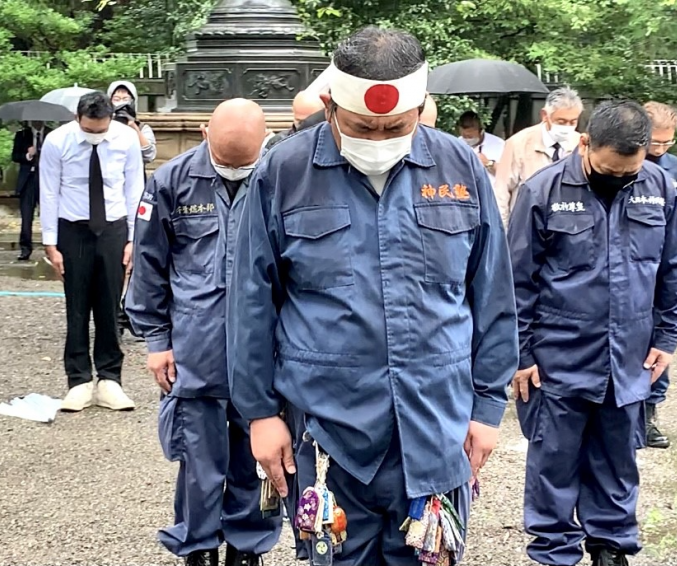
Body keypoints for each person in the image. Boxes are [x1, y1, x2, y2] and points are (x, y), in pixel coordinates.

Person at [228, 26, 519, 565]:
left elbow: (493, 295)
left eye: (396, 126)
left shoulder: (459, 169)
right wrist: (260, 415)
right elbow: (249, 301)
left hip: (437, 425)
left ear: (422, 107)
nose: (380, 139)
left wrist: (487, 405)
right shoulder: (285, 171)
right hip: (328, 427)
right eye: (363, 126)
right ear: (329, 103)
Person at [509, 101, 677, 566]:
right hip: (557, 357)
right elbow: (515, 281)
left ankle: (610, 545)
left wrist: (667, 338)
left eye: (631, 170)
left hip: (629, 356)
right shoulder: (542, 191)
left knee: (618, 459)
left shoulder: (660, 188)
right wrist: (521, 354)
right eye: (611, 170)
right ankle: (554, 550)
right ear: (585, 144)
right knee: (554, 460)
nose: (623, 178)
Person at [128, 98, 281, 566]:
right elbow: (148, 266)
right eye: (225, 161)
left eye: (245, 163)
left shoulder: (282, 178)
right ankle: (197, 546)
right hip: (198, 346)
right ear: (203, 133)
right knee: (198, 460)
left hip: (264, 348)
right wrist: (157, 342)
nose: (234, 171)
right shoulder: (170, 181)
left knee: (259, 455)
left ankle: (247, 546)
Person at [41, 92, 143, 412]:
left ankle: (110, 378)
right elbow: (49, 190)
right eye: (90, 130)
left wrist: (133, 239)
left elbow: (134, 187)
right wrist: (50, 243)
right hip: (73, 229)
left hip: (114, 228)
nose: (96, 135)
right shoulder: (58, 142)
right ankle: (79, 380)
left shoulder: (126, 139)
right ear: (77, 118)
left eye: (101, 129)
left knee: (110, 305)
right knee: (77, 306)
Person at [642, 101, 677, 450]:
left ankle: (649, 412)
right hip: (633, 266)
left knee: (660, 340)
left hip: (664, 265)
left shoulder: (675, 169)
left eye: (667, 144)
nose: (660, 151)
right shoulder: (619, 162)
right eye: (655, 144)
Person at [495, 87, 584, 228]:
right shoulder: (519, 143)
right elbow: (501, 193)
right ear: (545, 115)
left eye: (573, 122)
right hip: (526, 225)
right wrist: (503, 235)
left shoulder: (580, 144)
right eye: (561, 122)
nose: (567, 127)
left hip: (568, 226)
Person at [13, 121, 51, 261]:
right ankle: (25, 248)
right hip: (28, 180)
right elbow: (15, 156)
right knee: (27, 216)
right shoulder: (22, 135)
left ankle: (51, 247)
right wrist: (28, 155)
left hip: (46, 179)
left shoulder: (52, 134)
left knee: (49, 215)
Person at [109, 80, 157, 164]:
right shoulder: (103, 126)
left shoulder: (142, 127)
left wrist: (135, 129)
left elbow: (149, 156)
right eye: (116, 99)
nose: (121, 103)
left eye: (125, 99)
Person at [458, 110, 505, 187]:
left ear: (481, 131)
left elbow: (507, 174)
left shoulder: (499, 144)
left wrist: (488, 163)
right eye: (464, 136)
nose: (467, 139)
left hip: (492, 193)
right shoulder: (458, 144)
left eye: (470, 137)